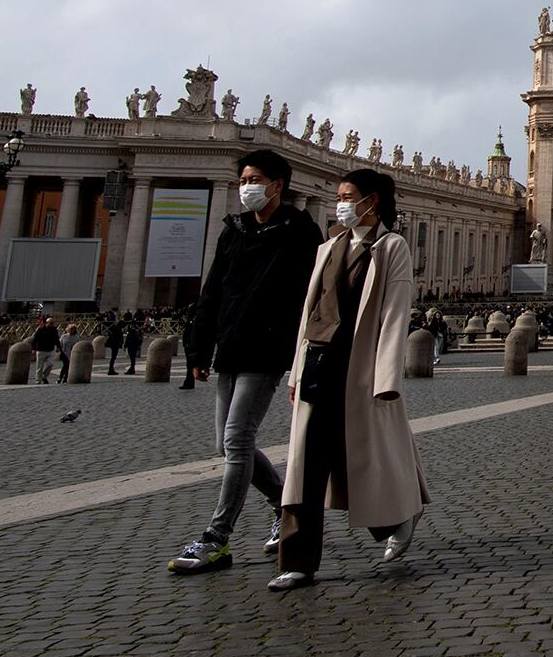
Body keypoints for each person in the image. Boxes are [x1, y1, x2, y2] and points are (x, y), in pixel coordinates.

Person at [270, 169, 428, 591]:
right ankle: (297, 561)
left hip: (359, 369)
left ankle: (397, 517)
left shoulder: (391, 247)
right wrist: (296, 370)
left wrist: (387, 376)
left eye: (347, 196)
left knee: (361, 457)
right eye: (338, 196)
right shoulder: (328, 247)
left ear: (371, 201)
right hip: (318, 365)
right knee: (305, 465)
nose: (340, 203)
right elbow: (311, 313)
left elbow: (395, 313)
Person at [169, 149, 324, 575]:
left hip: (267, 347)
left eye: (254, 180)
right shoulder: (233, 230)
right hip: (231, 345)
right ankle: (283, 506)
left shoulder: (301, 232)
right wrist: (198, 349)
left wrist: (301, 351)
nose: (246, 187)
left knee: (237, 439)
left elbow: (311, 297)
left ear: (277, 185)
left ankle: (216, 538)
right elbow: (212, 290)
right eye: (242, 180)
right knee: (226, 444)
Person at [31, 317, 61, 383]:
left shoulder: (54, 330)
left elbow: (57, 339)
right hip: (41, 350)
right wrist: (33, 348)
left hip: (50, 350)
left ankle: (44, 376)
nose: (52, 324)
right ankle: (38, 380)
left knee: (50, 364)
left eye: (53, 323)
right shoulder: (41, 329)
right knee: (39, 367)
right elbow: (35, 339)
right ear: (46, 323)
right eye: (51, 323)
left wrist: (58, 347)